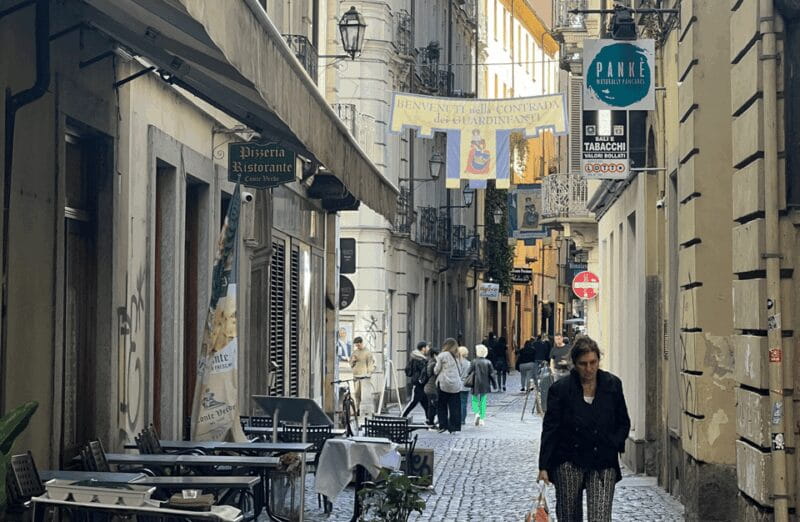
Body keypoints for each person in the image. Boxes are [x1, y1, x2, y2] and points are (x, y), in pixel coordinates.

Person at [538, 336, 631, 522]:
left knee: (600, 516)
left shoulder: (612, 384)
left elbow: (623, 421)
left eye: (593, 362)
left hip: (602, 460)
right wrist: (544, 466)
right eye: (583, 364)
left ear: (598, 360)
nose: (589, 368)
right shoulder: (561, 389)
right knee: (569, 516)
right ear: (574, 363)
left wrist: (614, 443)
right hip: (569, 459)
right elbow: (550, 428)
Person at [434, 338, 463, 433]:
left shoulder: (442, 355)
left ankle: (443, 425)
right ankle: (454, 427)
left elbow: (436, 370)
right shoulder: (458, 355)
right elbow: (461, 369)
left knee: (441, 405)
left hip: (444, 384)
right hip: (456, 385)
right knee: (455, 406)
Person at [464, 344, 496, 426]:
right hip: (485, 383)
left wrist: (467, 378)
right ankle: (482, 418)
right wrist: (494, 384)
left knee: (474, 399)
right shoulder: (488, 362)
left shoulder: (474, 361)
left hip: (475, 382)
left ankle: (476, 413)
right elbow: (492, 374)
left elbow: (469, 371)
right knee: (483, 400)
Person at [402, 341, 430, 419]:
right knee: (414, 402)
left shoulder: (419, 358)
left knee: (426, 403)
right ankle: (402, 416)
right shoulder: (419, 359)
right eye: (427, 347)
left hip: (421, 384)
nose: (428, 349)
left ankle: (429, 420)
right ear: (423, 348)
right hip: (418, 383)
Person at [349, 337, 375, 413]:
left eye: (358, 345)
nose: (357, 346)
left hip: (364, 376)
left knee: (365, 395)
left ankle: (366, 410)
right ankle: (357, 409)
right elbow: (350, 364)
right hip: (356, 376)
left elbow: (370, 364)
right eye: (356, 345)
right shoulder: (355, 352)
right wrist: (353, 361)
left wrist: (369, 373)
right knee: (357, 394)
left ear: (361, 343)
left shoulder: (367, 352)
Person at [423, 347, 440, 429]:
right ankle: (431, 422)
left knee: (432, 405)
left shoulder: (429, 362)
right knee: (434, 406)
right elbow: (433, 374)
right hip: (432, 388)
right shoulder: (434, 364)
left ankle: (430, 421)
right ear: (435, 355)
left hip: (429, 387)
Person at [457, 346, 471, 425]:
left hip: (457, 384)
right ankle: (462, 420)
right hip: (466, 384)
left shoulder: (456, 363)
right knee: (464, 403)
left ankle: (457, 418)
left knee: (457, 402)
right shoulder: (469, 363)